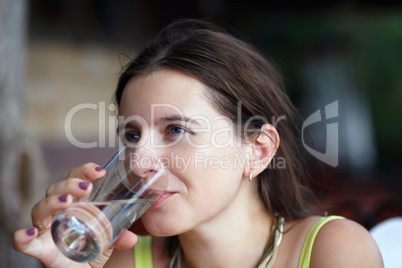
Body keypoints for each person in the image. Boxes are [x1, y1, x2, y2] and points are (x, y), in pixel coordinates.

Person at [13, 19, 383, 268]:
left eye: (175, 130)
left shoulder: (333, 251)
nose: (139, 161)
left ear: (258, 150)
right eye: (132, 135)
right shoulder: (120, 259)